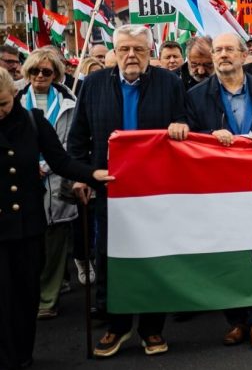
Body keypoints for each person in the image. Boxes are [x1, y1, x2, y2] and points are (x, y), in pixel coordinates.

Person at [67, 24, 189, 358]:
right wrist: (82, 176)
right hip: (112, 187)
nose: (131, 55)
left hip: (156, 189)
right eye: (124, 49)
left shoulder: (170, 82)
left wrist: (182, 125)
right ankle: (117, 325)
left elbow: (185, 120)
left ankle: (151, 328)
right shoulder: (93, 84)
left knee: (155, 257)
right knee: (111, 258)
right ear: (115, 52)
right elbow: (78, 137)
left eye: (138, 49)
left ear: (150, 51)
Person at [0, 67, 110, 370]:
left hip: (28, 225)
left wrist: (92, 174)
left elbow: (61, 161)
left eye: (3, 104)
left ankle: (22, 354)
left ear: (15, 94)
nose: (0, 111)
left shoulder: (33, 122)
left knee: (26, 295)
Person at [186, 33, 252, 350]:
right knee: (228, 253)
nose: (223, 55)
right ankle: (236, 321)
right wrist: (208, 135)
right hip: (220, 186)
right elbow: (189, 132)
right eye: (218, 50)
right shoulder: (196, 96)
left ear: (244, 56)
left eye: (229, 49)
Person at [14, 49, 77, 321]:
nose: (40, 76)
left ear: (56, 75)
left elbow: (70, 142)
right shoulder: (14, 100)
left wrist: (47, 165)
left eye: (46, 71)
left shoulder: (69, 103)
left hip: (57, 179)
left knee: (55, 243)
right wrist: (30, 165)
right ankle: (31, 294)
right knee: (29, 245)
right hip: (23, 182)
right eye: (34, 71)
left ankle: (48, 298)